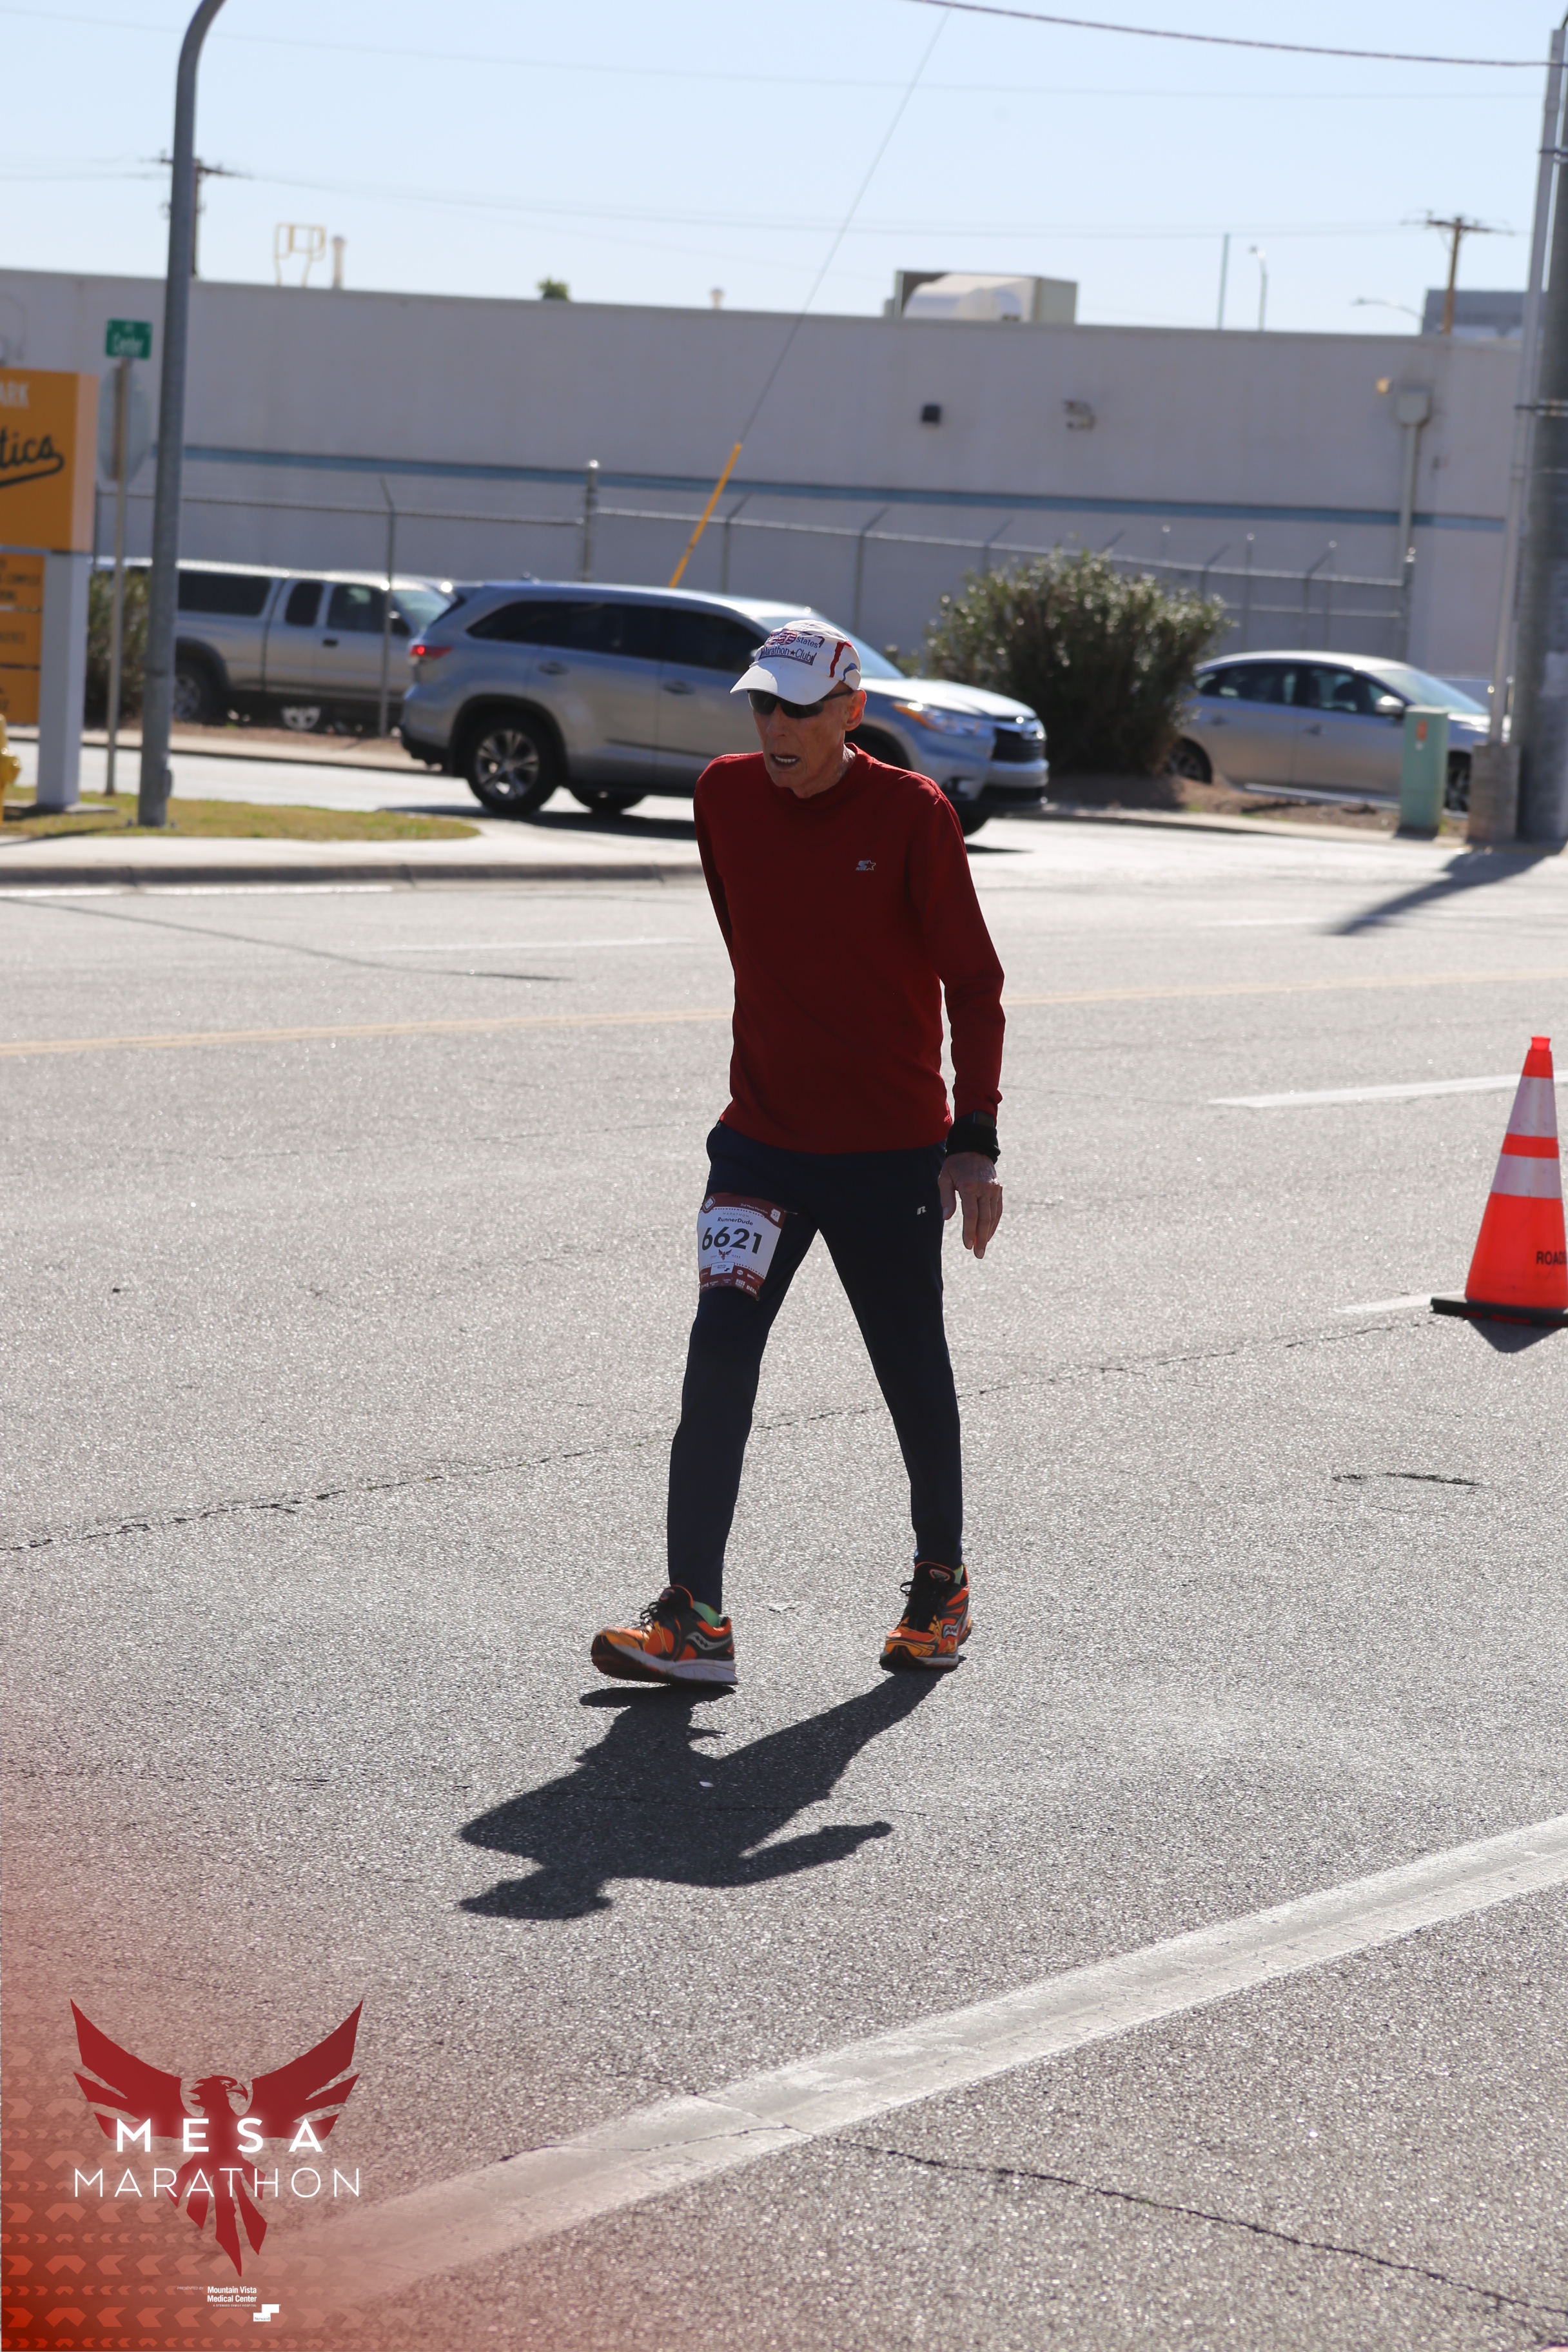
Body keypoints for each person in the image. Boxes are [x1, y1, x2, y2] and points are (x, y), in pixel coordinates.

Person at [591, 623, 1004, 1687]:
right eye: (762, 704)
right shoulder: (723, 795)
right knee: (718, 1356)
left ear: (850, 713)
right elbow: (750, 936)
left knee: (910, 1369)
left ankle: (942, 1584)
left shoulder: (913, 815)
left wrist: (974, 1139)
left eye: (799, 708)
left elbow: (974, 982)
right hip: (761, 1146)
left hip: (886, 1153)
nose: (775, 724)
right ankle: (695, 1618)